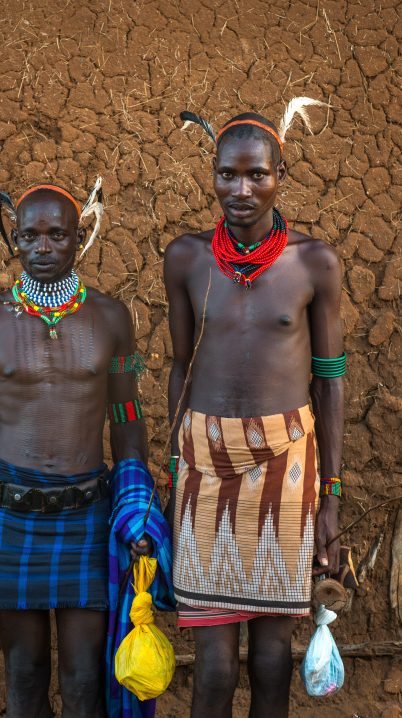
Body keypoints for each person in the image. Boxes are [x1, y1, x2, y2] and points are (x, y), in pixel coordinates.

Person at [0, 181, 173, 718]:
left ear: (79, 239)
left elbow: (127, 420)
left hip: (88, 517)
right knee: (24, 676)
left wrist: (138, 512)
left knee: (85, 680)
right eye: (32, 237)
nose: (44, 248)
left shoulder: (113, 320)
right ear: (14, 239)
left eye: (58, 236)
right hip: (8, 518)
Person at [164, 98, 344, 718]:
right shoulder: (187, 258)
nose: (240, 189)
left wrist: (332, 495)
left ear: (281, 177)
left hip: (288, 468)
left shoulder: (314, 263)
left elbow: (331, 382)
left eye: (257, 174)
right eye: (227, 174)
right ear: (211, 174)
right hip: (204, 467)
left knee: (271, 662)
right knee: (212, 670)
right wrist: (173, 472)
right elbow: (177, 369)